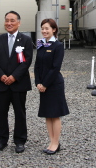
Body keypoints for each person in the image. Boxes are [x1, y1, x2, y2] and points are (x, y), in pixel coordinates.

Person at [0, 11, 33, 153]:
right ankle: (1, 140)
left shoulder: (25, 40)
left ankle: (20, 141)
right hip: (1, 84)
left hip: (19, 83)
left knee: (20, 112)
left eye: (12, 20)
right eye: (7, 20)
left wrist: (14, 76)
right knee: (1, 113)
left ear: (19, 23)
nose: (9, 23)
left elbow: (26, 61)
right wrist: (1, 75)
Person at [34, 18, 70, 155]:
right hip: (42, 85)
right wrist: (37, 82)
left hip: (54, 85)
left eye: (47, 28)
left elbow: (55, 67)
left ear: (54, 30)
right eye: (42, 28)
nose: (44, 31)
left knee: (54, 115)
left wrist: (45, 84)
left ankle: (56, 143)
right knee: (47, 115)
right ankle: (51, 141)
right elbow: (37, 65)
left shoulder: (58, 46)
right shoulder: (41, 45)